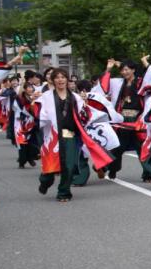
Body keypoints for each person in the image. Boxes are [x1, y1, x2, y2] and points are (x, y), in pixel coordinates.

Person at [35, 68, 114, 201]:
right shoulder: (46, 97)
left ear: (67, 80)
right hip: (53, 137)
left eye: (63, 77)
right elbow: (39, 115)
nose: (60, 80)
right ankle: (45, 181)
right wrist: (35, 103)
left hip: (69, 136)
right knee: (50, 169)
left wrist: (85, 105)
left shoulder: (75, 97)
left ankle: (63, 193)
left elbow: (84, 116)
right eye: (57, 77)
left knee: (69, 166)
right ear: (53, 80)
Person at [97, 56, 151, 178]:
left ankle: (148, 173)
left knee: (141, 146)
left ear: (133, 70)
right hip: (122, 119)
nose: (124, 72)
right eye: (123, 70)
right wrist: (108, 69)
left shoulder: (140, 82)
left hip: (137, 119)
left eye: (127, 69)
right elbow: (104, 87)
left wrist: (145, 63)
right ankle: (109, 168)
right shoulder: (117, 83)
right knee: (117, 146)